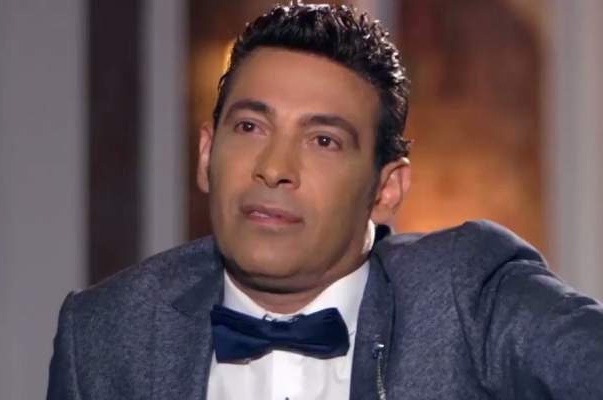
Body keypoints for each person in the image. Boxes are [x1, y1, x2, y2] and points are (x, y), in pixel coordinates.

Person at [47, 4, 603, 399]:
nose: (274, 168)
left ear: (385, 190)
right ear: (206, 154)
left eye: (323, 141)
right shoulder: (106, 333)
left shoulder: (467, 297)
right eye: (250, 126)